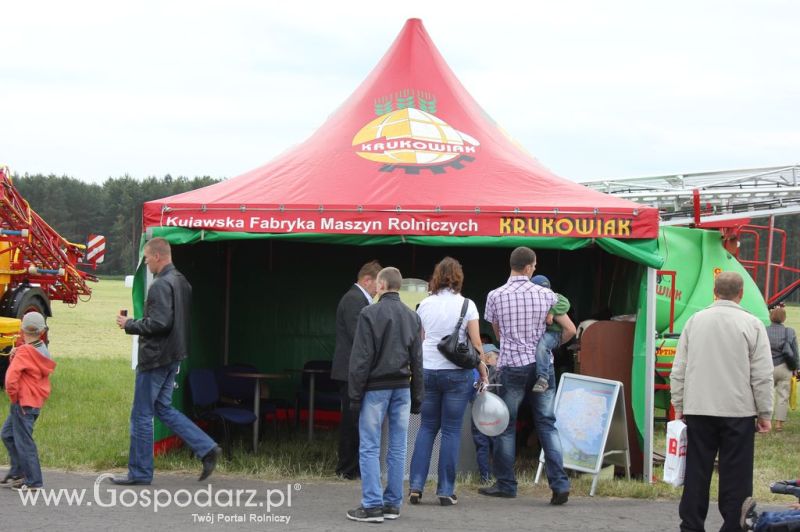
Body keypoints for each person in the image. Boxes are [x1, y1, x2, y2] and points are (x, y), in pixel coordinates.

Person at [671, 271, 774, 532]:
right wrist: (765, 412)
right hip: (738, 410)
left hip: (699, 407)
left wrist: (679, 404)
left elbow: (679, 368)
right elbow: (762, 374)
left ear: (714, 292)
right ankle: (733, 525)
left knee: (697, 471)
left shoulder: (695, 321)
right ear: (741, 294)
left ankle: (692, 525)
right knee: (736, 475)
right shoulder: (752, 325)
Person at [113, 237, 221, 485]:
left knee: (141, 414)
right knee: (162, 408)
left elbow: (160, 323)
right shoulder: (182, 281)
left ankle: (139, 473)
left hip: (156, 358)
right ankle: (206, 447)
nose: (147, 263)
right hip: (174, 354)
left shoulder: (161, 285)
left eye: (148, 258)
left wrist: (129, 324)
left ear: (158, 256)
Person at [480, 246, 575, 505]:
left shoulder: (495, 295)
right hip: (541, 368)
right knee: (546, 424)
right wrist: (547, 347)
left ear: (512, 265)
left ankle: (507, 484)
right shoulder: (547, 295)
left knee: (506, 425)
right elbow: (569, 330)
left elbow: (497, 334)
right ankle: (559, 484)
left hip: (512, 367)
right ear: (530, 266)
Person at [408, 257, 489, 507]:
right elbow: (476, 344)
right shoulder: (468, 305)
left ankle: (416, 486)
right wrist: (483, 370)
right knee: (451, 431)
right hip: (457, 373)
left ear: (436, 276)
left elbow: (419, 339)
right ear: (458, 277)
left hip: (428, 371)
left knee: (426, 428)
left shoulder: (424, 305)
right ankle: (445, 490)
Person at [346, 267, 423, 523]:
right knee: (398, 446)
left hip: (375, 388)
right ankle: (392, 504)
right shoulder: (412, 317)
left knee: (369, 446)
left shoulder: (368, 313)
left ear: (380, 285)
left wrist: (354, 394)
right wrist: (418, 395)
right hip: (402, 387)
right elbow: (417, 360)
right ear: (398, 286)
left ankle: (371, 505)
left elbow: (361, 358)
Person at [330, 260, 382, 480]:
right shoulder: (354, 299)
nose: (378, 290)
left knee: (355, 420)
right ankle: (347, 468)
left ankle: (352, 467)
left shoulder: (357, 298)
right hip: (351, 371)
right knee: (352, 421)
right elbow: (358, 337)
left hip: (353, 370)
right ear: (367, 280)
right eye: (377, 285)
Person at [0, 312, 55, 492]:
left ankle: (33, 480)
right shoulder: (41, 350)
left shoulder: (24, 351)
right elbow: (30, 367)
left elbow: (11, 378)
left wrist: (13, 396)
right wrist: (16, 354)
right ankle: (18, 472)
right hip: (34, 403)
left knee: (24, 441)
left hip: (22, 403)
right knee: (7, 434)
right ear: (42, 331)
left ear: (22, 329)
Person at [530, 275, 572, 393]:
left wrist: (551, 312)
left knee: (542, 346)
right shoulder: (530, 302)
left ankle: (543, 378)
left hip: (553, 333)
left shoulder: (554, 298)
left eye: (546, 290)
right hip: (542, 336)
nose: (543, 293)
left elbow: (566, 303)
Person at [767, 306, 799, 432]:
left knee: (766, 395)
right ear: (784, 318)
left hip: (767, 367)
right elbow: (795, 352)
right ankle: (779, 424)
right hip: (785, 367)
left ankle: (765, 421)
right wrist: (797, 368)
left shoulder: (764, 330)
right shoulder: (790, 331)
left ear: (771, 317)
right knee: (783, 396)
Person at [472, 343, 499, 484]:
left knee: (482, 446)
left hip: (477, 413)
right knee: (496, 444)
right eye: (496, 357)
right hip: (493, 414)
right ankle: (498, 474)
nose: (498, 360)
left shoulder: (473, 372)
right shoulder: (495, 372)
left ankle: (485, 477)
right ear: (487, 359)